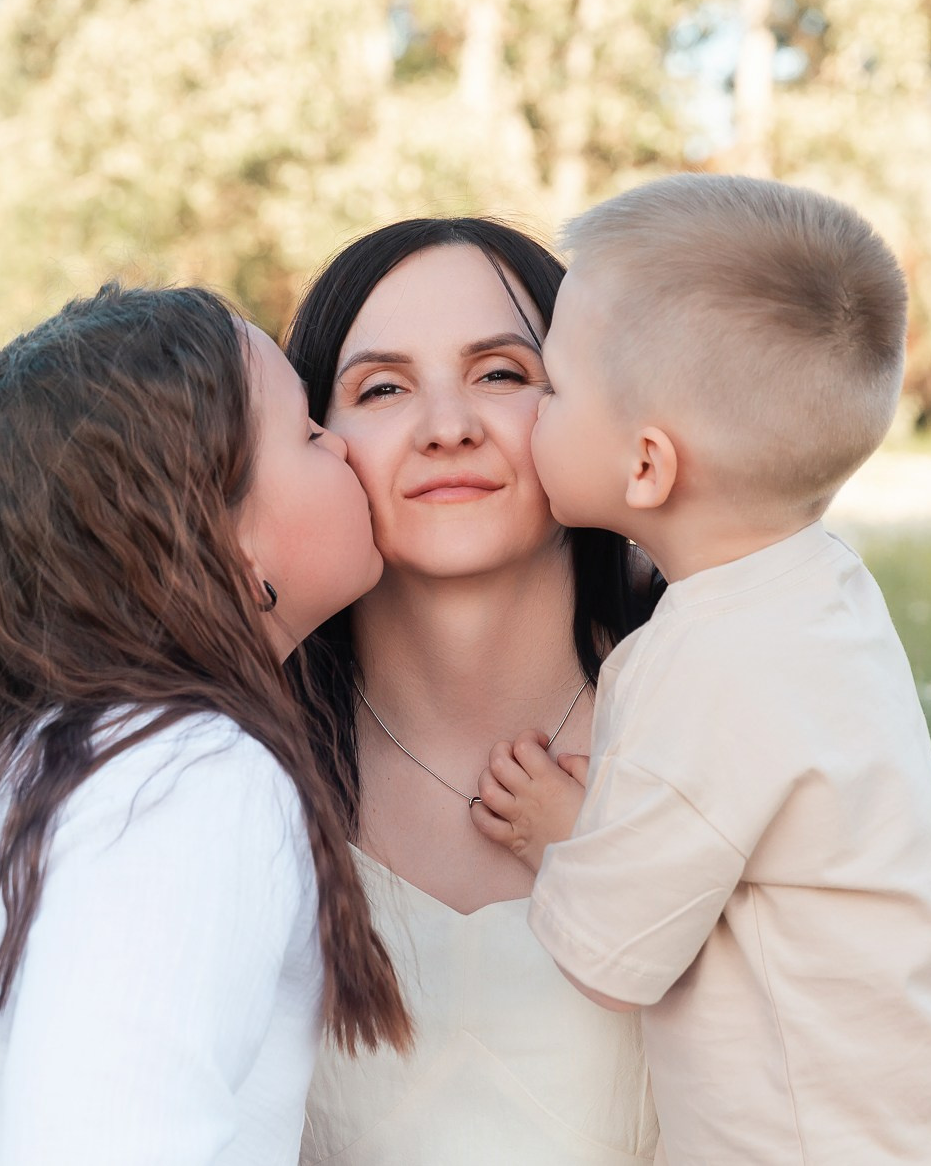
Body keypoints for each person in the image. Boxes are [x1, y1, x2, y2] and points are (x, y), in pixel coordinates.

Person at [0, 283, 411, 1165]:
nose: (344, 448)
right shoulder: (191, 778)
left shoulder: (2, 773)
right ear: (221, 533)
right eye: (309, 432)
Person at [476, 174, 931, 1163]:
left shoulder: (707, 667)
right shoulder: (822, 593)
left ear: (646, 467)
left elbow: (609, 958)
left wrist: (560, 832)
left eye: (548, 387)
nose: (526, 417)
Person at [284, 219, 664, 1165]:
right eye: (382, 387)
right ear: (312, 442)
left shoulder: (703, 719)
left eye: (500, 373)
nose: (448, 427)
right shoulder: (241, 763)